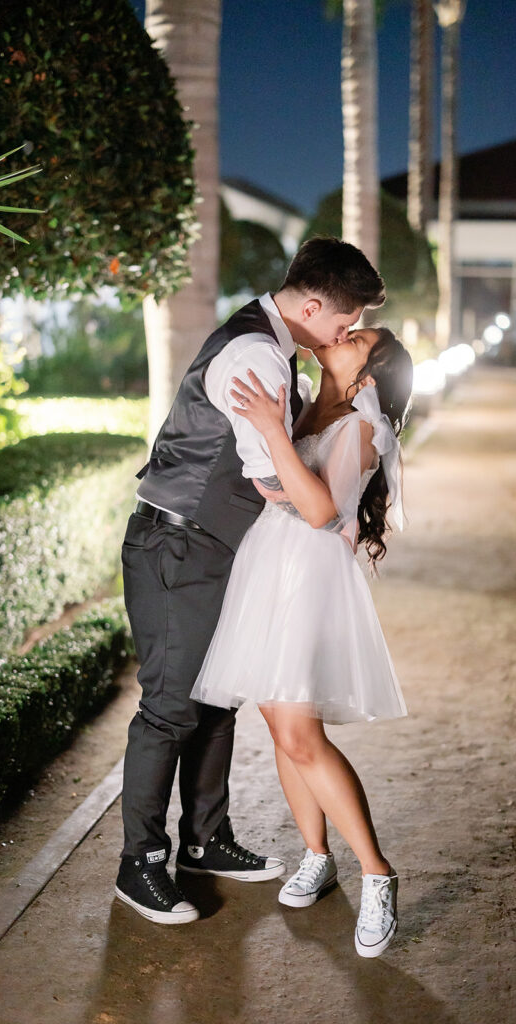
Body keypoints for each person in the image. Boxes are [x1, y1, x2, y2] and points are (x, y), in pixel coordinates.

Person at [115, 237, 386, 925]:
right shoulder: (257, 354)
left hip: (214, 546)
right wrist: (330, 514)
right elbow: (271, 480)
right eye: (343, 322)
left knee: (213, 700)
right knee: (171, 705)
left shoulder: (277, 351)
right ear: (315, 303)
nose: (344, 334)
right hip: (179, 542)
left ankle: (205, 840)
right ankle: (139, 862)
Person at [190, 326, 413, 957]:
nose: (343, 332)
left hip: (309, 575)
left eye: (358, 337)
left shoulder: (363, 425)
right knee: (279, 718)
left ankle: (377, 872)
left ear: (368, 375)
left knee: (299, 733)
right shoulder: (307, 394)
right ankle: (317, 855)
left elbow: (319, 511)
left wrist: (268, 430)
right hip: (270, 565)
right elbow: (285, 491)